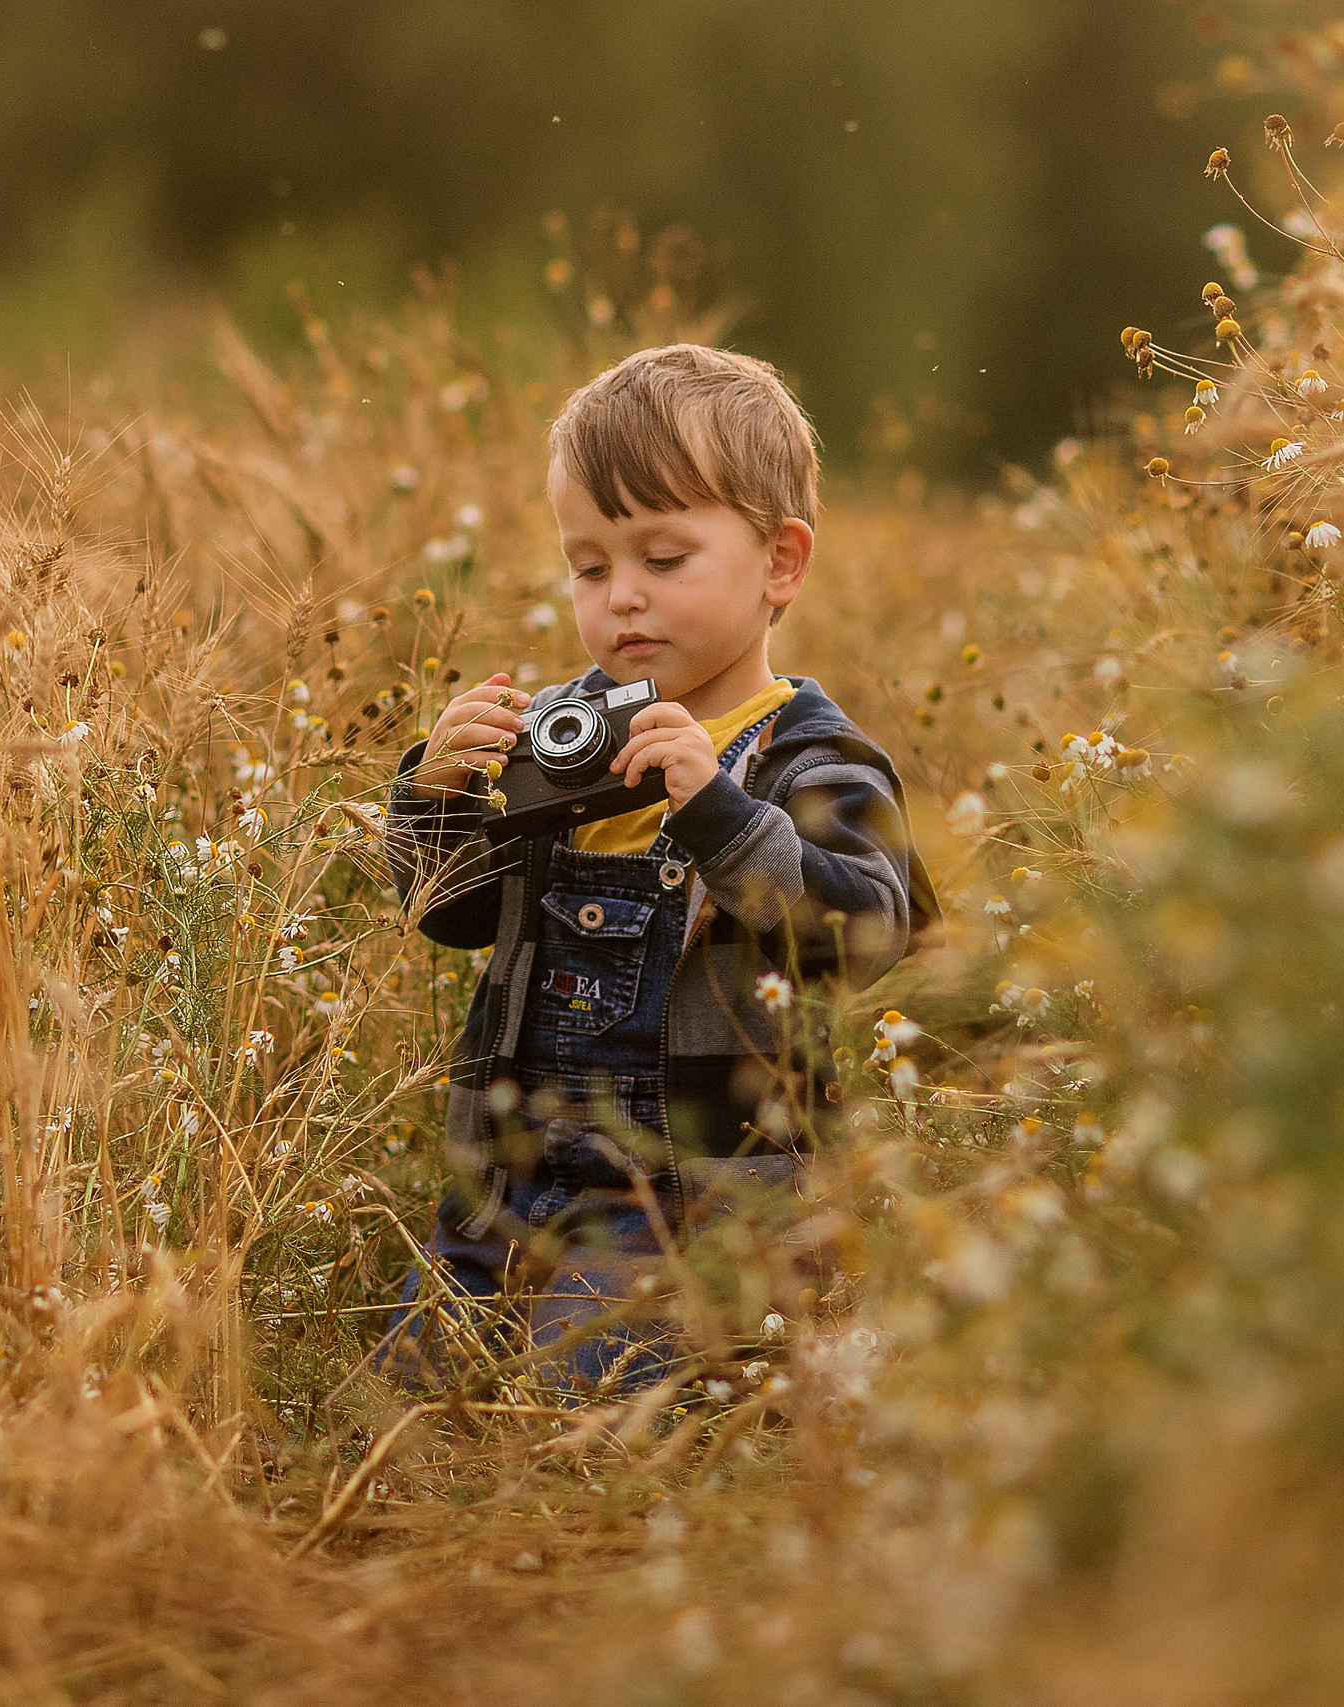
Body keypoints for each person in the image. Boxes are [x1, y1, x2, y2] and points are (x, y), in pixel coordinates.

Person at [377, 343, 936, 1399]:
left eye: (664, 559)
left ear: (780, 563)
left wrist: (719, 812)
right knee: (398, 1401)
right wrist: (437, 793)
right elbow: (451, 913)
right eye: (589, 568)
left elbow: (869, 929)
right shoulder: (565, 736)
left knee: (579, 1405)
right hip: (507, 1193)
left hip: (691, 1216)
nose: (622, 598)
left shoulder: (810, 758)